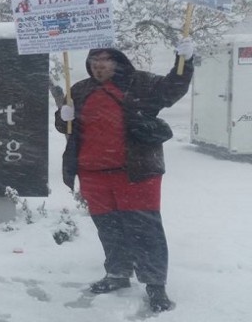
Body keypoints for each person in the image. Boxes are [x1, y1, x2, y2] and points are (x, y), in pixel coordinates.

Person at [54, 39, 195, 312]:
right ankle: (118, 273)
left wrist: (184, 62)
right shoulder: (80, 89)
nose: (99, 65)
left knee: (145, 229)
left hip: (136, 171)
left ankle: (155, 286)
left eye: (105, 59)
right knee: (109, 228)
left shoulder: (139, 83)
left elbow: (172, 89)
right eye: (95, 60)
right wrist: (62, 116)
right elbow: (66, 126)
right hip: (92, 173)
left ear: (117, 61)